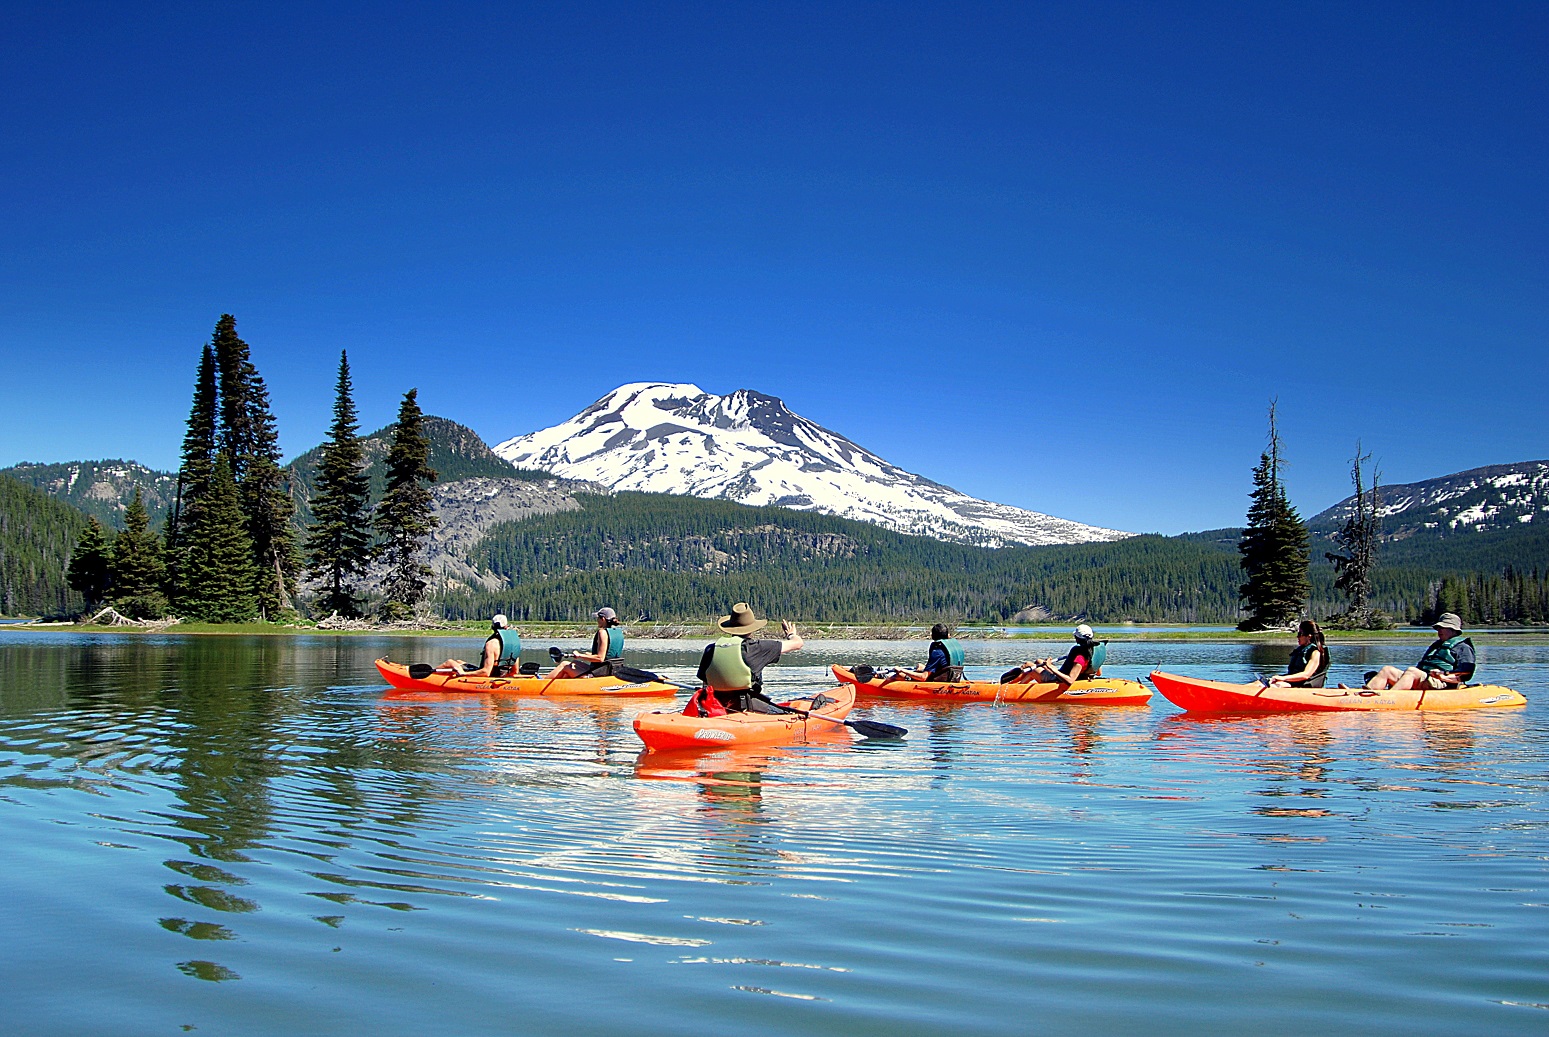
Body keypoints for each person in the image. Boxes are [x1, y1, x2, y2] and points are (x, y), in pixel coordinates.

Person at [687, 602, 804, 714]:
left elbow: (705, 684)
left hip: (715, 707)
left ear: (730, 627)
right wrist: (791, 634)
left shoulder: (711, 649)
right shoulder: (757, 648)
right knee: (789, 714)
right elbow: (798, 643)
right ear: (752, 628)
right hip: (747, 708)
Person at [1364, 613, 1475, 691]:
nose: (1439, 631)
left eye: (1443, 628)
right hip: (1425, 679)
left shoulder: (1463, 647)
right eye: (1438, 628)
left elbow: (1466, 675)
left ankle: (1390, 697)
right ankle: (1364, 694)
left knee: (1412, 671)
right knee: (1387, 670)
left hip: (1442, 684)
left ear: (1453, 630)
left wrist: (1443, 677)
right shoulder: (1437, 645)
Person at [1008, 624, 1105, 686]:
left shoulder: (1080, 657)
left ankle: (1009, 687)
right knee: (1039, 662)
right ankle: (1019, 685)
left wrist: (1050, 667)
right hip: (1080, 676)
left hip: (1058, 680)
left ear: (1077, 638)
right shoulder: (1093, 650)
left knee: (1028, 665)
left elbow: (1070, 680)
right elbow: (1098, 673)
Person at [547, 607, 626, 679]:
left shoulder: (602, 632)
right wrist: (588, 655)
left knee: (564, 665)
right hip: (609, 670)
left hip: (599, 673)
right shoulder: (618, 632)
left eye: (598, 618)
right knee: (574, 663)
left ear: (603, 619)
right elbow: (608, 656)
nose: (597, 620)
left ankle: (540, 683)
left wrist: (580, 655)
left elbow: (600, 658)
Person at [438, 614, 521, 677]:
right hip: (503, 674)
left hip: (491, 676)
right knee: (460, 662)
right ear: (506, 627)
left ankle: (429, 677)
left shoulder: (491, 644)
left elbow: (486, 672)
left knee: (449, 662)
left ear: (492, 627)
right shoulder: (513, 643)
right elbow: (515, 671)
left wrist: (464, 674)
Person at [1268, 619, 1330, 688]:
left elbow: (1306, 675)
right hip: (1294, 682)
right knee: (1260, 683)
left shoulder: (1316, 652)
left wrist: (1283, 678)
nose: (1297, 637)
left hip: (1303, 684)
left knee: (1272, 686)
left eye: (1300, 634)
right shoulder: (1301, 650)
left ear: (1309, 636)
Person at [894, 623, 965, 682]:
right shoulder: (951, 649)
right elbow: (943, 667)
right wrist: (924, 668)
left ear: (933, 636)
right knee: (920, 667)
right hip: (952, 679)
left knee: (901, 675)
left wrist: (902, 670)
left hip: (939, 683)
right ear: (947, 635)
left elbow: (923, 677)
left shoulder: (937, 652)